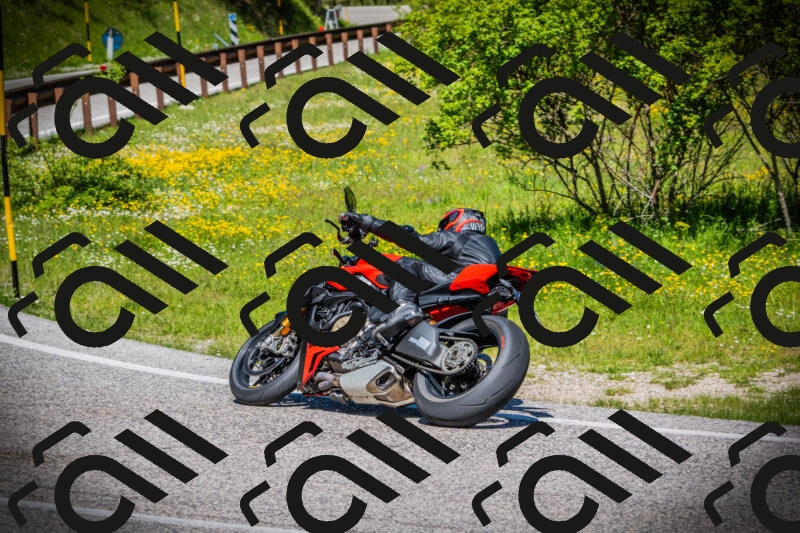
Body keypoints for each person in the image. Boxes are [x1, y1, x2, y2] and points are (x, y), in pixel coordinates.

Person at [340, 208, 502, 341]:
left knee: (406, 264)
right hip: (481, 303)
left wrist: (367, 222)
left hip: (460, 283)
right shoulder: (488, 248)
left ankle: (402, 306)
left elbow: (414, 241)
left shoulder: (460, 238)